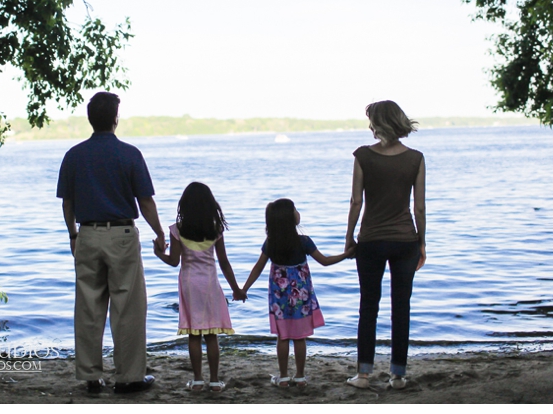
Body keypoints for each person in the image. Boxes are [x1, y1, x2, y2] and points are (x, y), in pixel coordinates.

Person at [56, 91, 165, 395]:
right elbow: (145, 200)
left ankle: (91, 376)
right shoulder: (129, 154)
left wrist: (73, 235)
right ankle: (128, 377)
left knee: (88, 308)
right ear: (116, 119)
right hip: (122, 235)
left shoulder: (74, 155)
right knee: (127, 308)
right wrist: (159, 232)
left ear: (90, 119)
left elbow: (67, 203)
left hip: (87, 234)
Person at [344, 100, 426, 390]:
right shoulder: (416, 158)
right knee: (401, 307)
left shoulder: (363, 156)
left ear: (379, 123)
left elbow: (356, 201)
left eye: (371, 120)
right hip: (406, 241)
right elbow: (419, 208)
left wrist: (349, 236)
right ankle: (399, 375)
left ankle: (363, 375)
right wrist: (422, 243)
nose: (369, 126)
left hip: (371, 241)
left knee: (369, 306)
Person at [241, 198, 353, 388]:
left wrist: (244, 289)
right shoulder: (304, 242)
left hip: (279, 298)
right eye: (295, 210)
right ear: (290, 218)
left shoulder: (270, 243)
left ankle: (283, 376)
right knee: (300, 337)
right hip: (300, 296)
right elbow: (324, 261)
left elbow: (258, 268)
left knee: (283, 336)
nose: (298, 213)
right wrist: (346, 254)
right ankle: (300, 376)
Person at [154, 182, 244, 392]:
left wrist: (159, 253)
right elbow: (223, 262)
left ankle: (196, 380)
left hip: (189, 285)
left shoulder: (178, 229)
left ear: (184, 205)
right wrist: (236, 288)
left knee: (194, 334)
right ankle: (214, 381)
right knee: (211, 334)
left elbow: (174, 261)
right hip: (210, 284)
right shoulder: (215, 229)